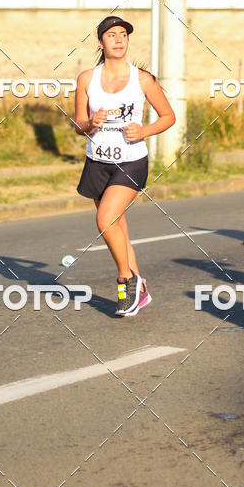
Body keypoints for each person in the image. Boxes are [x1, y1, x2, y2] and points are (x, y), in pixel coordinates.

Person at [74, 16, 175, 316]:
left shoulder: (142, 79)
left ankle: (127, 279)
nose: (118, 40)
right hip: (97, 162)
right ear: (101, 42)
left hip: (130, 162)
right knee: (117, 227)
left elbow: (168, 116)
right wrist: (90, 123)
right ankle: (141, 291)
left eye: (123, 35)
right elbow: (78, 124)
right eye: (111, 35)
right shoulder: (86, 79)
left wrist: (143, 131)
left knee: (105, 220)